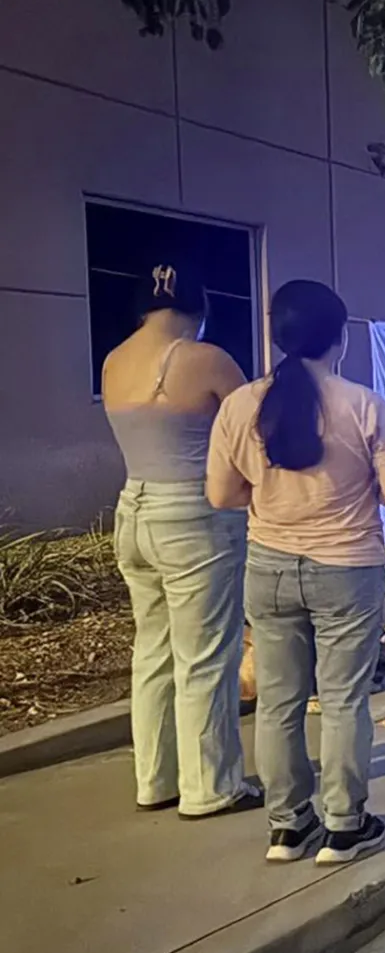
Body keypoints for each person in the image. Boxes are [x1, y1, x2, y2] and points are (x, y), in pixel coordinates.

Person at [208, 280, 385, 863]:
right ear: (339, 339)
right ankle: (345, 825)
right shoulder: (364, 404)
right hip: (347, 569)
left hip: (268, 569)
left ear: (278, 335)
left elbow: (222, 494)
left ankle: (290, 828)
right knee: (345, 701)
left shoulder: (240, 405)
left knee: (278, 704)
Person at [102, 262, 258, 817]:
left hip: (133, 511)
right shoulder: (206, 359)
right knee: (205, 656)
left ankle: (155, 781)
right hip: (193, 516)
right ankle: (210, 787)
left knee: (152, 651)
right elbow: (253, 430)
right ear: (197, 309)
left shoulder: (113, 360)